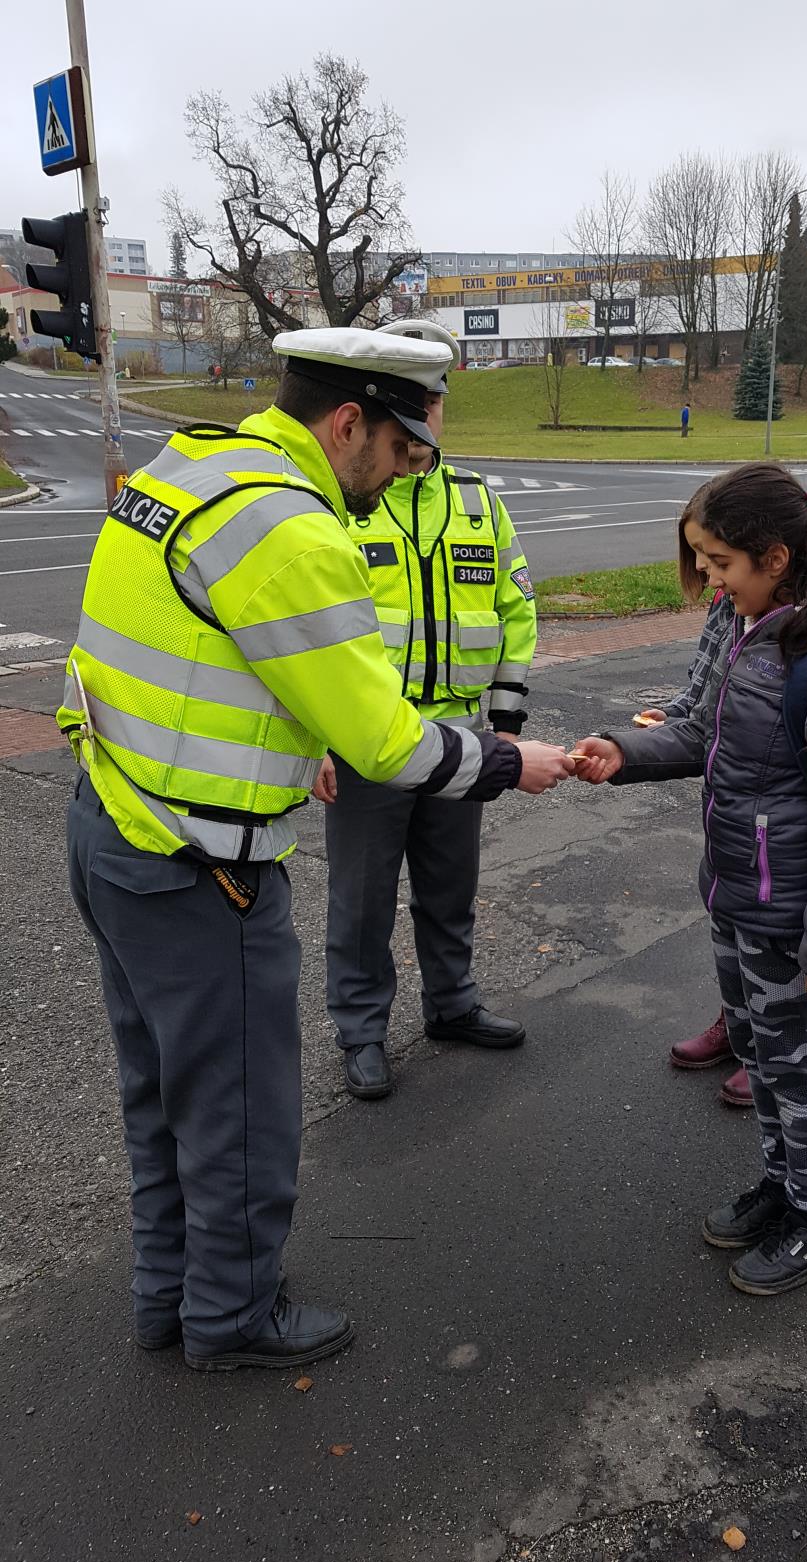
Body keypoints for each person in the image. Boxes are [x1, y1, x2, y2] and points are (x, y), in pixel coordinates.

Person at [58, 327, 574, 1372]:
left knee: (162, 1094)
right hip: (201, 861)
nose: (400, 477)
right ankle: (232, 1317)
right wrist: (508, 761)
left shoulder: (194, 463)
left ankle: (168, 1297)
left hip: (112, 821)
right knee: (240, 1108)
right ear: (348, 424)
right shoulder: (293, 530)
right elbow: (383, 741)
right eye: (399, 451)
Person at [574, 462, 807, 1296]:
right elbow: (703, 733)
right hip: (737, 894)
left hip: (790, 914)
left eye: (721, 563)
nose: (711, 581)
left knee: (794, 1070)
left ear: (776, 557)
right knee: (762, 1059)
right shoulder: (755, 627)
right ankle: (782, 1185)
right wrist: (623, 753)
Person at [318, 319, 539, 1098]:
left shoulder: (479, 503)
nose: (425, 414)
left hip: (459, 736)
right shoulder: (345, 503)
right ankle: (361, 1031)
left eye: (434, 398)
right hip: (369, 738)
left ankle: (451, 1004)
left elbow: (516, 611)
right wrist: (316, 739)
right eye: (411, 399)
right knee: (362, 900)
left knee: (450, 888)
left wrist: (504, 724)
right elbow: (312, 634)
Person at [634, 575, 749, 1107]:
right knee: (729, 924)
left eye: (717, 559)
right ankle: (740, 1026)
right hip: (730, 811)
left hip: (782, 833)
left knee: (775, 947)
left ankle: (773, 1054)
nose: (708, 574)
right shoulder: (732, 598)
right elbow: (704, 699)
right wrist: (670, 720)